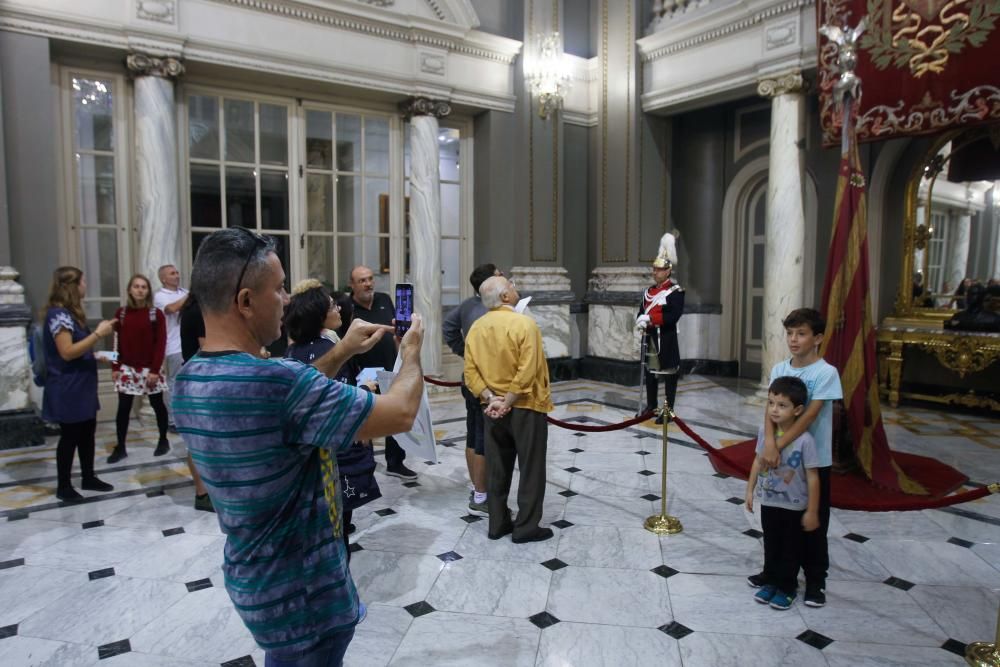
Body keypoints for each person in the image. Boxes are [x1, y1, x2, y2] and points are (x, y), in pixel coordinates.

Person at [174, 228, 425, 666]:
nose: (287, 299)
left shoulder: (189, 379)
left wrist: (342, 350)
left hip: (257, 579)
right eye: (279, 288)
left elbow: (288, 408)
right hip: (305, 594)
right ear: (246, 301)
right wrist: (412, 351)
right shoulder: (277, 382)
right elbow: (401, 412)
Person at [284, 279, 381, 558]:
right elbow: (335, 403)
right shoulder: (328, 350)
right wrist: (365, 390)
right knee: (337, 528)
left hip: (309, 454)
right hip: (334, 453)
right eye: (331, 306)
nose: (339, 308)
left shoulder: (296, 349)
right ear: (318, 315)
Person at [752, 307, 843, 608]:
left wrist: (776, 446)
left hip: (812, 458)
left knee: (812, 524)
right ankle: (772, 573)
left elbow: (809, 417)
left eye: (801, 334)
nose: (793, 339)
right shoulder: (780, 369)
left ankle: (816, 581)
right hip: (776, 459)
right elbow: (769, 409)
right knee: (776, 520)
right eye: (790, 333)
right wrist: (768, 445)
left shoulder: (825, 373)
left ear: (817, 338)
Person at [464, 275, 554, 543]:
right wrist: (509, 400)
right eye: (511, 286)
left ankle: (497, 523)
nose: (515, 288)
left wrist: (492, 398)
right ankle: (526, 527)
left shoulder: (476, 328)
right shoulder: (525, 324)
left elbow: (470, 372)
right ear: (505, 296)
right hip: (526, 407)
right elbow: (529, 368)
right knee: (531, 468)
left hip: (491, 410)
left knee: (497, 468)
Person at [745, 376, 820, 610]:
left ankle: (787, 587)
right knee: (771, 543)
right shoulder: (765, 434)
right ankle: (771, 579)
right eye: (771, 403)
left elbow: (813, 477)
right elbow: (758, 461)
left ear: (798, 410)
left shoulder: (805, 441)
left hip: (794, 505)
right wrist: (750, 490)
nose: (774, 410)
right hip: (769, 500)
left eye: (782, 405)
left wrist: (812, 511)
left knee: (790, 548)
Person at [42, 266, 116, 502]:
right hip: (68, 387)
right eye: (83, 282)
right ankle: (64, 485)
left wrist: (93, 355)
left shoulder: (71, 314)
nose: (86, 286)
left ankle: (88, 476)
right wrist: (98, 334)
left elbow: (77, 350)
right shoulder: (59, 315)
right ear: (73, 286)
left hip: (81, 385)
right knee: (71, 436)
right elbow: (66, 352)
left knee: (87, 432)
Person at [340, 264, 417, 481]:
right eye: (362, 280)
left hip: (390, 367)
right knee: (366, 417)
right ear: (352, 284)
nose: (368, 283)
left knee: (393, 414)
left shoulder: (384, 299)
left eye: (370, 278)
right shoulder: (346, 307)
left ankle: (395, 462)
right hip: (363, 372)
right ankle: (366, 464)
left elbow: (398, 328)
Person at [443, 263, 500, 516]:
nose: (504, 278)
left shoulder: (467, 305)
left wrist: (463, 351)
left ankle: (477, 487)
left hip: (470, 379)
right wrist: (466, 352)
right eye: (499, 276)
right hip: (483, 383)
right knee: (481, 440)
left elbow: (448, 327)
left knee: (472, 434)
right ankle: (480, 494)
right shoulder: (487, 310)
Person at [107, 274, 169, 463]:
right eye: (136, 286)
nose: (140, 290)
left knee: (157, 404)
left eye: (144, 287)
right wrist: (115, 366)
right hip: (127, 368)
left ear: (148, 291)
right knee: (123, 408)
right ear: (129, 290)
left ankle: (163, 439)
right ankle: (121, 446)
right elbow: (115, 341)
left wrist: (155, 370)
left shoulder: (155, 314)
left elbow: (161, 343)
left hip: (150, 368)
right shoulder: (121, 313)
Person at [635, 232, 685, 424]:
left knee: (669, 375)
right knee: (650, 373)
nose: (655, 272)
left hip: (666, 338)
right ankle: (651, 405)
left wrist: (650, 319)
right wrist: (641, 319)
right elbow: (641, 311)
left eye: (659, 269)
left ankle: (668, 409)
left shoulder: (676, 292)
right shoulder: (648, 292)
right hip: (650, 338)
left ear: (668, 271)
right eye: (654, 269)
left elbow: (673, 316)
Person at [178, 294, 213, 512]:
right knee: (198, 440)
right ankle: (202, 493)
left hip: (195, 375)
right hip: (199, 378)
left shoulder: (194, 308)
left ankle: (205, 490)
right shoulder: (199, 311)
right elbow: (207, 346)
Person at [153, 264, 189, 430]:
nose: (176, 275)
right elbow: (171, 309)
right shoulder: (160, 296)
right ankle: (172, 420)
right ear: (164, 278)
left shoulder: (185, 293)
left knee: (188, 383)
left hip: (189, 343)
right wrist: (192, 296)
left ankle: (187, 417)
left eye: (177, 272)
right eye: (172, 273)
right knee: (173, 383)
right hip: (173, 346)